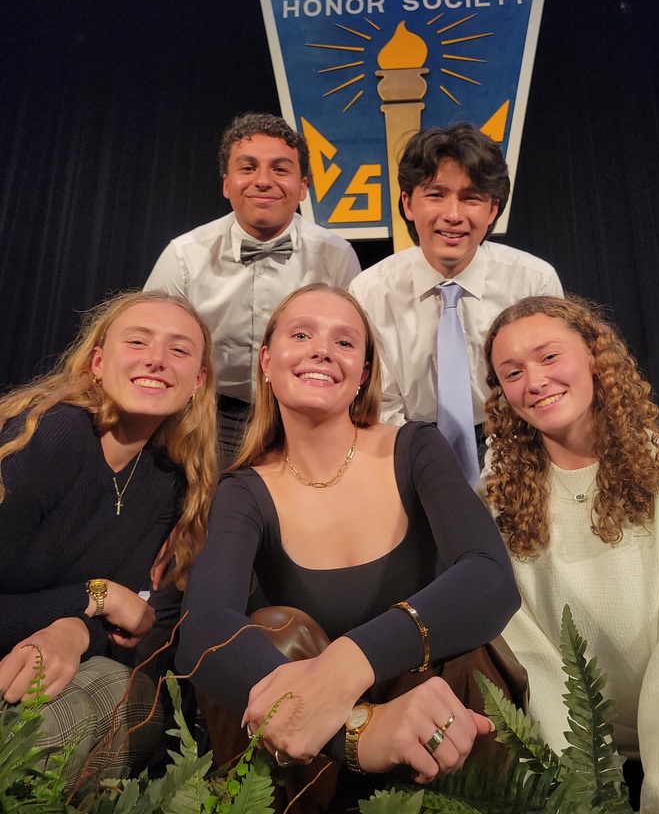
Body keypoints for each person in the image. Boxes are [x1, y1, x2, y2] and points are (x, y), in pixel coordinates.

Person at [177, 284, 521, 807]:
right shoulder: (245, 488)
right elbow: (203, 628)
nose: (322, 349)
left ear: (362, 374)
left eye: (344, 342)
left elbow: (491, 578)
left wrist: (348, 664)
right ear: (266, 361)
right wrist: (358, 728)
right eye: (301, 334)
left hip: (435, 734)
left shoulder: (415, 446)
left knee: (469, 649)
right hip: (311, 763)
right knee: (266, 637)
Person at [483, 293, 659, 814]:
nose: (534, 381)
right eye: (511, 372)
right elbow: (534, 653)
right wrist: (582, 790)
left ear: (595, 357)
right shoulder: (497, 500)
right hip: (589, 755)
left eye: (549, 356)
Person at [0, 290, 218, 787]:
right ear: (98, 362)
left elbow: (140, 625)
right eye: (137, 341)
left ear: (198, 382)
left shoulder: (170, 477)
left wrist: (76, 630)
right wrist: (91, 598)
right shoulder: (50, 436)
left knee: (122, 699)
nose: (157, 360)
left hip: (51, 675)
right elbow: (113, 601)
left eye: (180, 351)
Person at [145, 112, 361, 465]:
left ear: (303, 185)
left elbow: (354, 352)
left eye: (280, 169)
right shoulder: (183, 256)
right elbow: (152, 350)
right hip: (206, 414)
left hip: (303, 413)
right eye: (248, 169)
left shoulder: (336, 256)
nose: (263, 181)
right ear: (226, 183)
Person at [350, 123, 561, 483]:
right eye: (435, 195)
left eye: (471, 198)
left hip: (521, 443)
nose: (453, 215)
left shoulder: (532, 281)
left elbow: (551, 387)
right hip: (406, 450)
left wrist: (499, 467)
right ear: (408, 203)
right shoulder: (370, 291)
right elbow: (381, 406)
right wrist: (431, 472)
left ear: (493, 208)